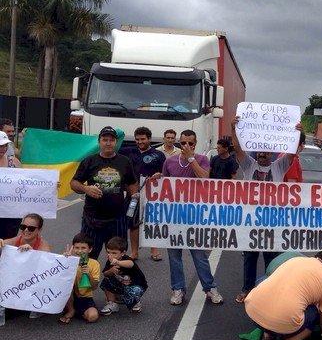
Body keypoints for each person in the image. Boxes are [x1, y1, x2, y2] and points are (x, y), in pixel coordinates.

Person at [231, 116, 302, 304]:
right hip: (250, 220)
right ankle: (247, 290)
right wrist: (233, 129)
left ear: (272, 154)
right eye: (260, 151)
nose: (263, 154)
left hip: (272, 221)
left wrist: (298, 133)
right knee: (250, 257)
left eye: (267, 151)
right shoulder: (248, 165)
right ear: (256, 153)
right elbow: (237, 148)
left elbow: (292, 154)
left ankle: (269, 289)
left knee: (271, 258)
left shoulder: (279, 167)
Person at [244, 250, 322, 340]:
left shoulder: (295, 260)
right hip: (279, 320)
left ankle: (268, 337)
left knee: (277, 295)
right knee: (313, 312)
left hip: (253, 311)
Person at [162, 129, 223, 306]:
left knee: (199, 255)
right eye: (183, 143)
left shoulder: (202, 160)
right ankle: (178, 289)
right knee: (174, 255)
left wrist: (191, 158)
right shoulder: (170, 161)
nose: (187, 146)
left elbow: (204, 177)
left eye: (190, 143)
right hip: (174, 215)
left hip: (195, 216)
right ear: (179, 143)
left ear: (195, 144)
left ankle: (210, 288)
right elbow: (165, 186)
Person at [70, 126, 138, 259]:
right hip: (92, 219)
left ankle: (113, 279)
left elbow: (132, 183)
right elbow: (74, 183)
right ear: (99, 141)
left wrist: (134, 199)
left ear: (116, 142)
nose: (108, 143)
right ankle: (87, 279)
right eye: (105, 139)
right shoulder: (89, 161)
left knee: (117, 258)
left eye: (111, 140)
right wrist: (86, 189)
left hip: (117, 219)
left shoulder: (124, 161)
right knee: (87, 257)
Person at [120, 127, 166, 260]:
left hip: (153, 195)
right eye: (137, 139)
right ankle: (134, 252)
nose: (140, 141)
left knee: (152, 222)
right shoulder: (127, 152)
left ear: (149, 139)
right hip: (133, 194)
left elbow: (166, 174)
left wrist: (160, 175)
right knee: (133, 223)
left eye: (143, 139)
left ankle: (154, 251)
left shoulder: (159, 155)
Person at [0, 213, 52, 319]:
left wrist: (32, 253)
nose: (26, 230)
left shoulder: (43, 245)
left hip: (33, 283)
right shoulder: (17, 239)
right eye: (23, 227)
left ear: (39, 230)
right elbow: (3, 245)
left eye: (31, 228)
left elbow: (46, 269)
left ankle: (38, 306)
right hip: (18, 282)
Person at [100, 236, 148, 314]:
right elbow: (105, 273)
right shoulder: (109, 261)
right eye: (108, 252)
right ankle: (112, 303)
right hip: (121, 283)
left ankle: (135, 302)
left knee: (133, 291)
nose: (110, 255)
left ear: (123, 253)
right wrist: (111, 270)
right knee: (106, 280)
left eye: (114, 253)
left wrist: (118, 263)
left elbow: (130, 264)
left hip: (135, 285)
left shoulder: (127, 259)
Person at [59, 233, 101, 324]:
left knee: (93, 317)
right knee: (67, 286)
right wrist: (64, 260)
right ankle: (70, 310)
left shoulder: (94, 264)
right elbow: (59, 279)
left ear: (90, 249)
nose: (79, 251)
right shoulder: (69, 260)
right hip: (70, 297)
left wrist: (88, 274)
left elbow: (94, 287)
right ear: (73, 248)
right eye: (77, 248)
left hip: (85, 297)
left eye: (83, 248)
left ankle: (77, 311)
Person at [0, 130, 22, 240]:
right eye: (0, 146)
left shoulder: (14, 162)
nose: (3, 149)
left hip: (11, 214)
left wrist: (48, 185)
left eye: (5, 145)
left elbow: (27, 184)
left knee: (8, 242)